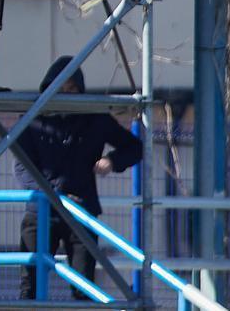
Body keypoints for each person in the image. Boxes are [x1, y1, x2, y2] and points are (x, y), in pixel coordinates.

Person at [14, 56, 142, 300]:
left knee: (84, 288)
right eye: (60, 88)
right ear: (48, 87)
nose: (65, 93)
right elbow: (22, 167)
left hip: (81, 210)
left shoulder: (95, 118)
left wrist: (112, 161)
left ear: (81, 89)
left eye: (71, 88)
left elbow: (134, 147)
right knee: (30, 286)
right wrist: (51, 197)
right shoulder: (33, 120)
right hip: (41, 211)